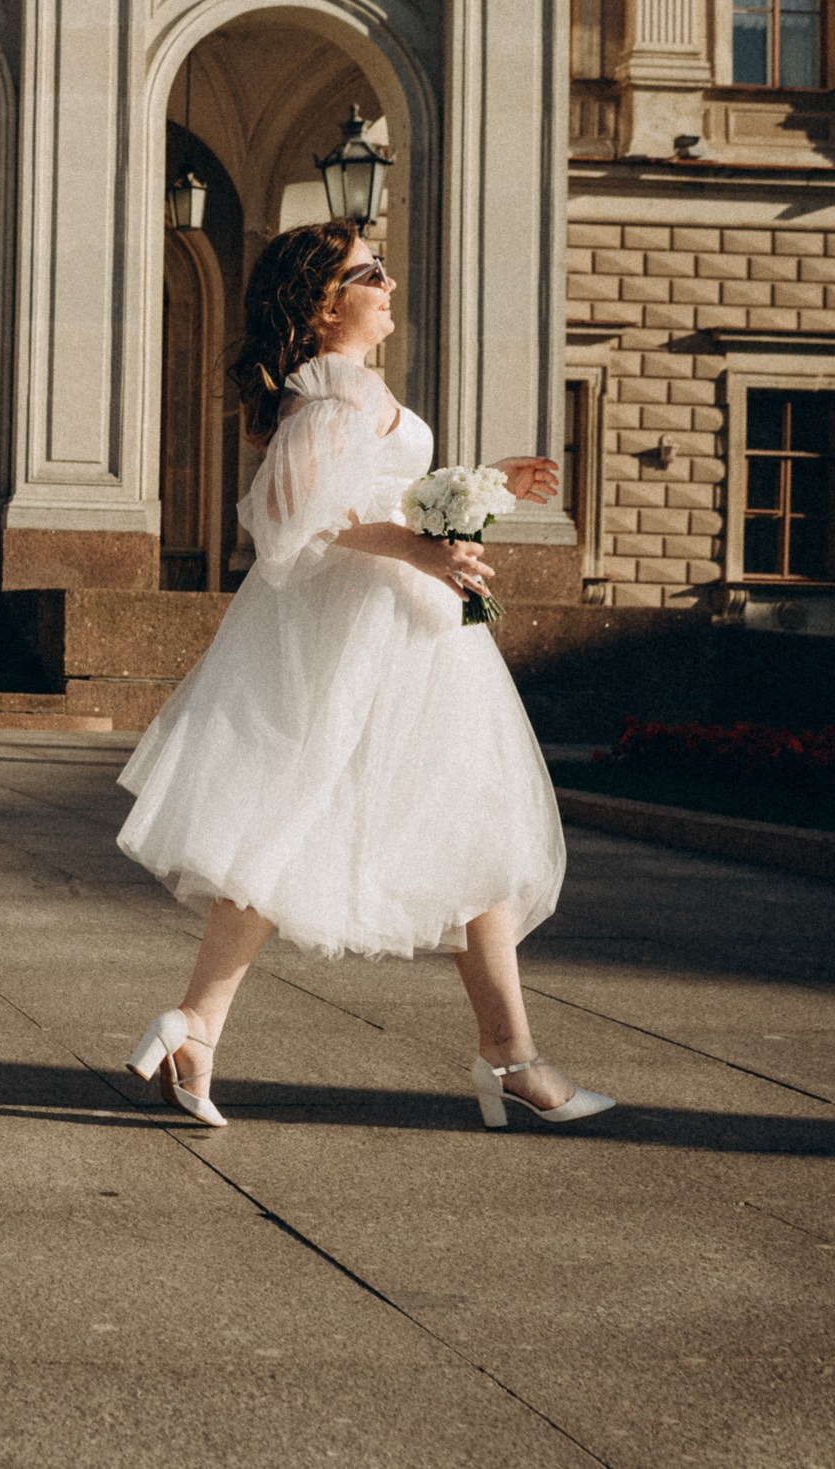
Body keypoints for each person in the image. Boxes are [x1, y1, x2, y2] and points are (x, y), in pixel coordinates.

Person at [114, 220, 614, 1132]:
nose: (388, 283)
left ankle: (203, 1028)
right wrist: (421, 551)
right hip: (377, 642)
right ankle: (504, 1060)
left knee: (437, 833)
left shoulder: (345, 390)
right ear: (322, 303)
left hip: (400, 634)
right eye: (367, 272)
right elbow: (292, 516)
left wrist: (481, 486)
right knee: (382, 826)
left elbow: (368, 494)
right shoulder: (335, 392)